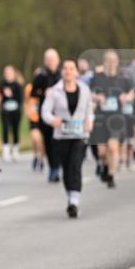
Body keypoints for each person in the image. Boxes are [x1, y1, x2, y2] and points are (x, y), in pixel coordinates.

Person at [41, 59, 94, 218]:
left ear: (76, 72)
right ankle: (70, 195)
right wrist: (53, 120)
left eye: (72, 68)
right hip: (61, 136)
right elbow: (45, 112)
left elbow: (89, 109)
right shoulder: (54, 91)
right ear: (62, 71)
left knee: (75, 165)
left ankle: (74, 201)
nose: (69, 71)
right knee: (66, 168)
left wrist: (90, 121)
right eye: (65, 68)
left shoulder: (84, 90)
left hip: (80, 134)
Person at [90, 50, 135, 189]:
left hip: (117, 119)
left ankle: (111, 175)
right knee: (102, 152)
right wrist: (97, 98)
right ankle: (103, 164)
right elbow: (90, 93)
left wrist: (126, 98)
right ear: (104, 62)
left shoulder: (123, 78)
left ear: (117, 62)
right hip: (100, 118)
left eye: (113, 61)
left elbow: (132, 92)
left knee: (113, 146)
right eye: (108, 61)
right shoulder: (97, 78)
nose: (110, 63)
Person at [30, 49, 62, 182]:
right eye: (48, 59)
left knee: (60, 142)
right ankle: (54, 169)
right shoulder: (40, 76)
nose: (51, 62)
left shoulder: (63, 75)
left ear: (58, 60)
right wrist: (43, 93)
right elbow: (33, 93)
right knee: (49, 142)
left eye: (53, 59)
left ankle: (58, 165)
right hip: (47, 114)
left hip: (62, 113)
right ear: (45, 61)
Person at [0, 65, 24, 162]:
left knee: (15, 130)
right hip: (5, 111)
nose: (7, 74)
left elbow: (20, 100)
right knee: (5, 129)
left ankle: (15, 150)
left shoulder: (18, 85)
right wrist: (4, 95)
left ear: (13, 74)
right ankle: (5, 151)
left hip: (16, 111)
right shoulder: (1, 85)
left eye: (9, 72)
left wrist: (11, 95)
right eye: (6, 73)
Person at [24, 77, 46, 172]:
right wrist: (27, 112)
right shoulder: (29, 88)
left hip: (44, 118)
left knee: (41, 141)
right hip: (33, 117)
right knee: (35, 138)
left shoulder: (47, 88)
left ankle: (41, 158)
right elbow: (26, 101)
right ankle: (36, 155)